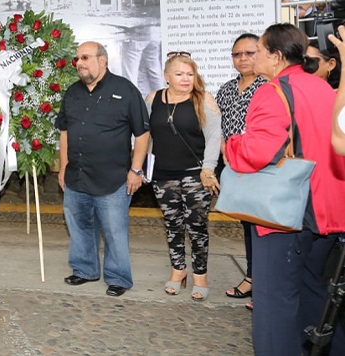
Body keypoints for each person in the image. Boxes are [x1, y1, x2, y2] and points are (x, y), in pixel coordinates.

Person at [226, 23, 345, 355]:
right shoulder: (323, 87)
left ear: (276, 56)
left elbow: (257, 151)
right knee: (314, 295)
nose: (255, 57)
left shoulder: (272, 90)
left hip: (287, 215)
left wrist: (232, 146)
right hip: (326, 213)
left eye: (260, 50)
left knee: (274, 304)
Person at [55, 41, 150, 297]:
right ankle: (84, 269)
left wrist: (136, 170)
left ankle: (118, 277)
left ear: (103, 60)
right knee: (79, 226)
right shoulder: (72, 93)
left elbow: (142, 134)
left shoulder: (125, 90)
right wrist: (63, 167)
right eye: (77, 59)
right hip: (77, 176)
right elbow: (65, 131)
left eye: (85, 57)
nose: (79, 63)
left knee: (114, 231)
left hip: (113, 179)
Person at [145, 52, 221, 301]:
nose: (186, 78)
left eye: (190, 74)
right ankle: (178, 270)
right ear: (167, 76)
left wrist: (208, 169)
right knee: (172, 225)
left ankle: (200, 274)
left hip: (196, 176)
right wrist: (142, 167)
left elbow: (213, 137)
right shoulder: (153, 99)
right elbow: (146, 136)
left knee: (197, 227)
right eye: (179, 74)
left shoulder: (204, 99)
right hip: (163, 175)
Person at [215, 34, 266, 309]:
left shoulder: (269, 86)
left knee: (264, 226)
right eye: (237, 54)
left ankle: (264, 282)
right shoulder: (225, 89)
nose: (243, 58)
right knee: (248, 225)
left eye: (249, 53)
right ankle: (252, 277)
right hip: (235, 168)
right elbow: (219, 128)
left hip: (262, 168)